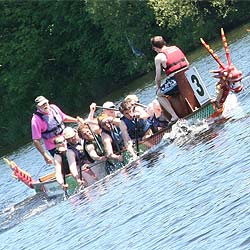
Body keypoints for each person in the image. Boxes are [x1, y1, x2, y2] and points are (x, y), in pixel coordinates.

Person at [151, 36, 189, 122]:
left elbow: (158, 77)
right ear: (164, 42)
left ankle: (174, 116)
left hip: (176, 82)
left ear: (155, 48)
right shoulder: (176, 48)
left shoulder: (158, 57)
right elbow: (187, 63)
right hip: (187, 78)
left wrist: (158, 87)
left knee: (159, 94)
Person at [31, 96, 79, 164]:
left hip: (66, 139)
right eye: (42, 105)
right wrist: (45, 155)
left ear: (48, 102)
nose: (45, 105)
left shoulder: (54, 108)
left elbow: (64, 117)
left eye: (45, 103)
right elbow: (36, 140)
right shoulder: (36, 120)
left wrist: (77, 120)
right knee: (67, 164)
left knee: (78, 154)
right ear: (38, 107)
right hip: (54, 146)